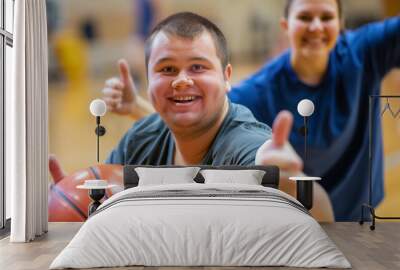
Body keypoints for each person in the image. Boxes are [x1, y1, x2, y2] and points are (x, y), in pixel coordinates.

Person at [103, 1, 400, 221]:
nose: (316, 26)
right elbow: (194, 115)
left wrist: (292, 180)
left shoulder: (364, 52)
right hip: (302, 216)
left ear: (341, 23)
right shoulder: (260, 89)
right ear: (286, 26)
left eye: (326, 17)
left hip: (349, 213)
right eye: (305, 17)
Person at [52, 12, 333, 221]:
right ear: (147, 80)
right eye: (167, 69)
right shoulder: (141, 139)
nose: (182, 81)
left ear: (226, 78)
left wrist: (291, 181)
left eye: (198, 67)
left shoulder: (246, 148)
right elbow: (106, 196)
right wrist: (72, 199)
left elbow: (321, 222)